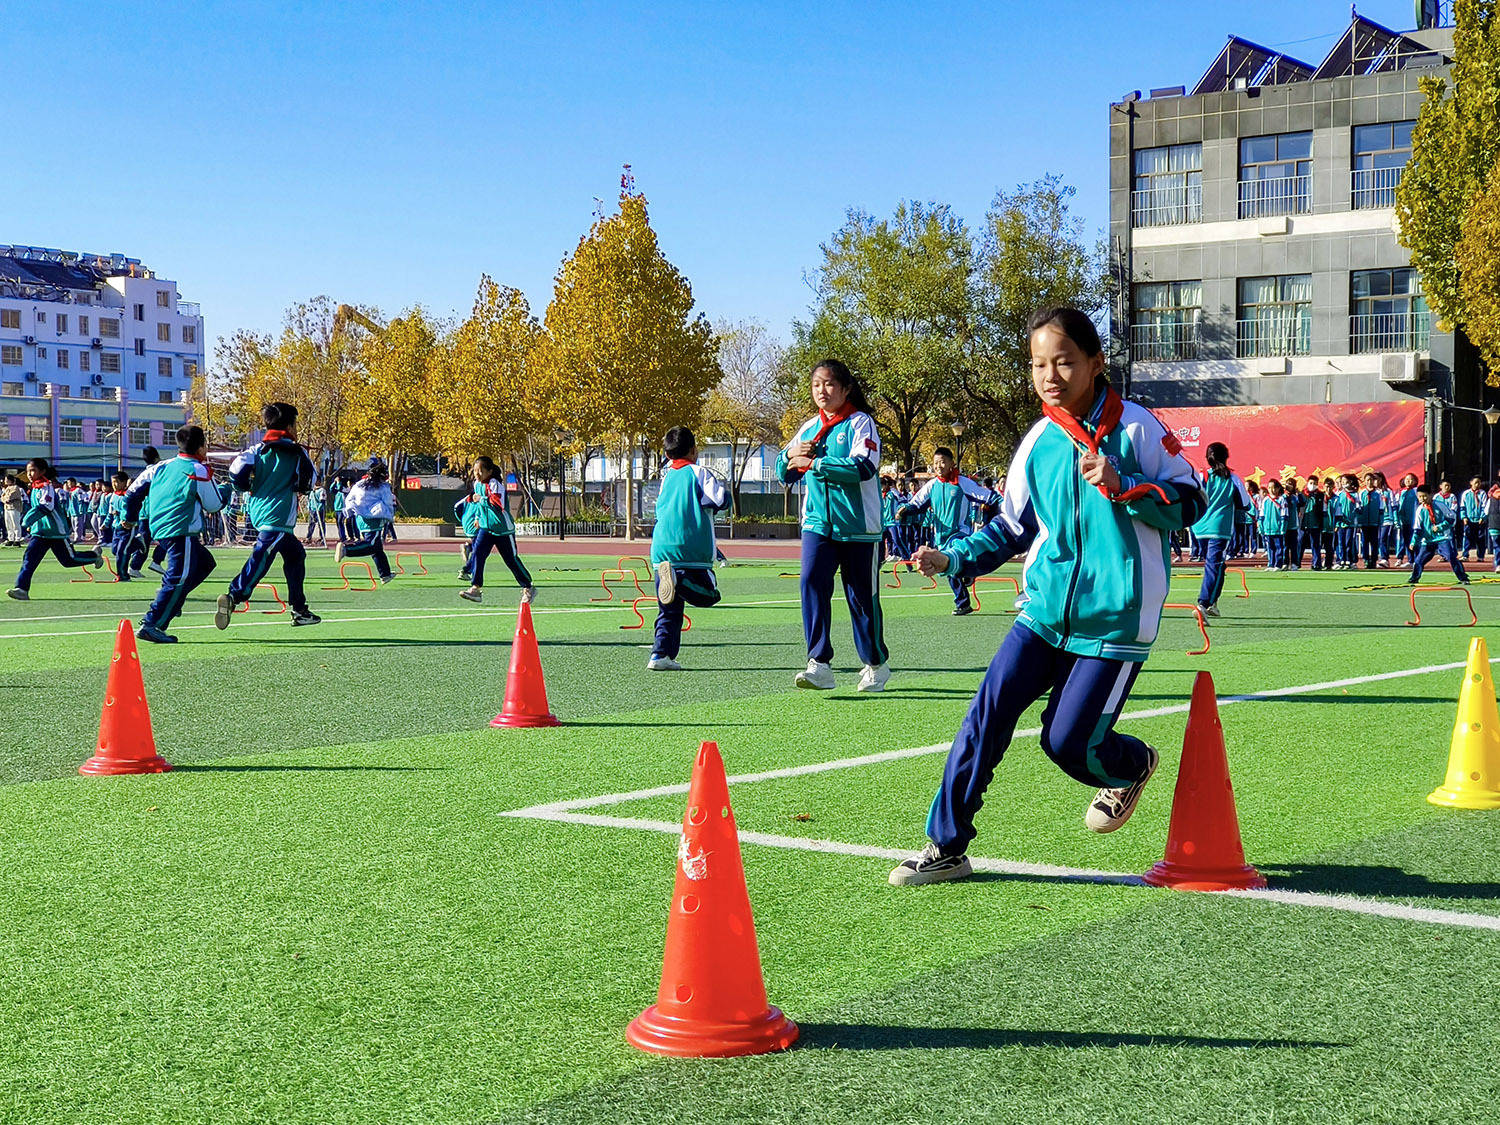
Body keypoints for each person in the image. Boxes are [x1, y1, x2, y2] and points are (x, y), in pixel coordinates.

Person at [889, 306, 1205, 885]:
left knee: (1066, 743)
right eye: (1038, 364)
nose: (1050, 375)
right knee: (986, 715)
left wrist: (1126, 485)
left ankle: (1131, 765)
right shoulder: (1037, 442)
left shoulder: (1138, 428)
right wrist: (952, 557)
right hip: (1043, 611)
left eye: (1063, 361)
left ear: (1095, 363)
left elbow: (1191, 502)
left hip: (1115, 622)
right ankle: (947, 845)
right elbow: (1011, 528)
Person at [776, 358, 891, 693]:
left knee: (861, 598)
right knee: (811, 581)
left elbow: (864, 467)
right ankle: (819, 663)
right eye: (816, 385)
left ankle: (875, 663)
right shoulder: (809, 428)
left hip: (859, 528)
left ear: (845, 388)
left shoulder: (861, 423)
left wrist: (815, 463)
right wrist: (789, 456)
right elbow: (785, 472)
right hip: (817, 524)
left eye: (828, 384)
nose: (821, 391)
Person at [215, 402, 321, 629]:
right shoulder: (298, 452)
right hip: (278, 516)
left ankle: (300, 609)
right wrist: (296, 485)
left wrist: (247, 485)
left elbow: (235, 472)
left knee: (295, 556)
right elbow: (310, 482)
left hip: (259, 511)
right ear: (291, 426)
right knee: (261, 556)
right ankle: (234, 595)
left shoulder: (256, 451)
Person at [646, 427, 730, 670]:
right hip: (690, 549)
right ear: (694, 450)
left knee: (668, 610)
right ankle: (680, 583)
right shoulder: (699, 472)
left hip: (661, 548)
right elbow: (720, 499)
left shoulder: (665, 477)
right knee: (709, 593)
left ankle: (660, 655)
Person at [133, 426, 224, 644]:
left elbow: (132, 492)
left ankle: (173, 600)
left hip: (161, 528)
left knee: (205, 563)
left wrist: (128, 518)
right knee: (178, 577)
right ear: (202, 446)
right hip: (181, 530)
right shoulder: (198, 469)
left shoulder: (160, 467)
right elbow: (214, 504)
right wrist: (226, 491)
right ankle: (152, 623)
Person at [897, 447, 996, 616]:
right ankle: (966, 583)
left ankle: (963, 598)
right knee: (947, 569)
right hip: (940, 535)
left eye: (942, 462)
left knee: (951, 563)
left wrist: (1000, 511)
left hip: (959, 533)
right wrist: (903, 510)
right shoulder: (932, 485)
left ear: (952, 463)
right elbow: (916, 504)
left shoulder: (963, 483)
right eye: (935, 463)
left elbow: (988, 497)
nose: (939, 466)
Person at [6, 458, 101, 600]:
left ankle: (94, 557)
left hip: (56, 532)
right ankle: (22, 589)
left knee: (69, 561)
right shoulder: (34, 488)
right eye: (28, 471)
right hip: (40, 533)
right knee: (29, 559)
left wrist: (27, 520)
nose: (30, 474)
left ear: (42, 471)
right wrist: (33, 525)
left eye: (33, 470)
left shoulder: (46, 487)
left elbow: (46, 507)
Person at [458, 456, 536, 605]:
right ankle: (475, 589)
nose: (477, 474)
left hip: (503, 530)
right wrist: (478, 517)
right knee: (477, 554)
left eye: (480, 471)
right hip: (486, 528)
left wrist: (480, 499)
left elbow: (497, 503)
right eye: (475, 471)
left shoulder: (495, 484)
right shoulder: (477, 484)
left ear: (489, 471)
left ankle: (528, 587)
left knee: (511, 560)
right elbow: (480, 506)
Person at [1190, 442, 1249, 617]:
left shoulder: (1202, 476)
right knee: (1214, 564)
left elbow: (1193, 496)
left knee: (1218, 565)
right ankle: (1203, 603)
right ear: (1226, 456)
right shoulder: (1232, 478)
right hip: (1219, 528)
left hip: (1199, 526)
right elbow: (1244, 503)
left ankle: (1213, 603)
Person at [335, 458, 396, 583]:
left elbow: (349, 500)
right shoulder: (382, 487)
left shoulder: (359, 484)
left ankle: (385, 574)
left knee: (377, 548)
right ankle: (346, 550)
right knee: (372, 546)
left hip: (360, 518)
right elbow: (388, 503)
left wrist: (350, 511)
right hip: (374, 519)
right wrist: (389, 516)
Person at [1409, 483, 1470, 586]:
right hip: (1428, 540)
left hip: (1443, 538)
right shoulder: (1419, 510)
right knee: (1419, 560)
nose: (1422, 499)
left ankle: (1463, 577)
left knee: (1451, 556)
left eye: (1424, 496)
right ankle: (1414, 578)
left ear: (1430, 495)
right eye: (1419, 497)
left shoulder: (1440, 505)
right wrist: (1413, 541)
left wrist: (1440, 527)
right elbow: (1417, 528)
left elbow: (1451, 519)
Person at [1260, 478, 1286, 569]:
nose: (1272, 490)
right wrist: (1261, 526)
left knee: (1279, 547)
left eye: (1274, 488)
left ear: (1278, 488)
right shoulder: (1266, 500)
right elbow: (1261, 514)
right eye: (1270, 487)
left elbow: (1284, 514)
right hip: (1268, 528)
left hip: (1277, 529)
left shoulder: (1281, 499)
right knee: (1270, 547)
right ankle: (1271, 563)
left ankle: (1278, 564)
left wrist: (1282, 526)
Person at [1462, 476, 1487, 562]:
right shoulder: (1466, 493)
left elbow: (1484, 506)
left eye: (1479, 482)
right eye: (1476, 482)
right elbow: (1463, 506)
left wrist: (1482, 517)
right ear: (1471, 483)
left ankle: (1480, 556)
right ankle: (1465, 555)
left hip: (1479, 520)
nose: (1477, 484)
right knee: (1467, 537)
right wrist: (1464, 517)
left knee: (1480, 538)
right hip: (1469, 519)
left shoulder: (1482, 493)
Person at [3, 474, 26, 546]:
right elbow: (2, 497)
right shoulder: (7, 488)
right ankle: (10, 538)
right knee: (8, 524)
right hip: (7, 507)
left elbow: (11, 496)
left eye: (6, 479)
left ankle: (17, 539)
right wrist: (5, 499)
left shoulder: (16, 487)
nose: (5, 481)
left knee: (15, 523)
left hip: (14, 507)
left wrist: (6, 499)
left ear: (10, 480)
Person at [304, 481, 328, 545]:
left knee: (321, 524)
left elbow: (322, 500)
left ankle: (322, 538)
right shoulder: (312, 491)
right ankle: (308, 537)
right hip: (312, 509)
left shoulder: (322, 490)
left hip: (319, 510)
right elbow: (310, 500)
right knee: (311, 523)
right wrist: (309, 507)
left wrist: (319, 508)